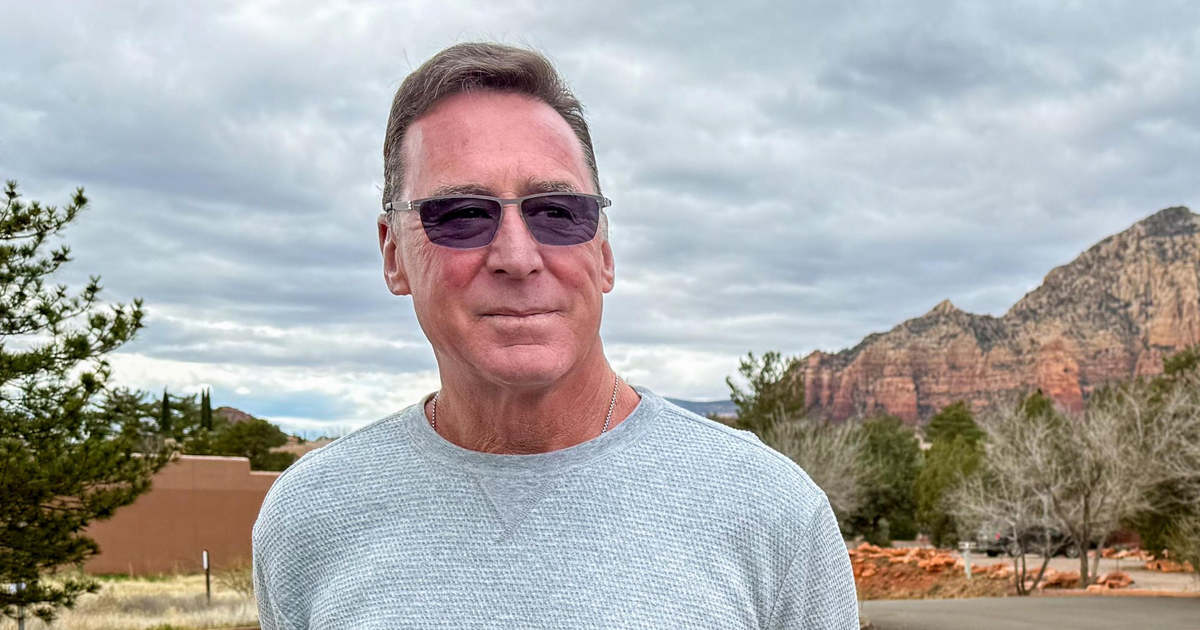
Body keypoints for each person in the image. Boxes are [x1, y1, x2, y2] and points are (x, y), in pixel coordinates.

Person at [251, 41, 858, 629]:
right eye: (462, 215)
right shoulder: (309, 517)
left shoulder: (771, 509)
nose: (518, 255)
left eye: (558, 213)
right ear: (393, 255)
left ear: (605, 252)